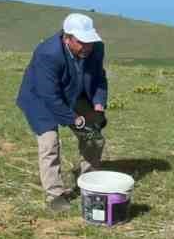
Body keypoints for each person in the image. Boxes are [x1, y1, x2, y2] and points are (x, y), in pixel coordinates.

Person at [15, 12, 110, 211]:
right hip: (40, 98)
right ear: (67, 37)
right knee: (50, 143)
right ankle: (55, 195)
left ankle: (89, 183)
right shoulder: (47, 53)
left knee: (94, 138)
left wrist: (98, 107)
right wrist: (74, 119)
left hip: (74, 91)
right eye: (81, 42)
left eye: (90, 41)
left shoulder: (96, 48)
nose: (87, 47)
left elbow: (99, 78)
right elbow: (49, 95)